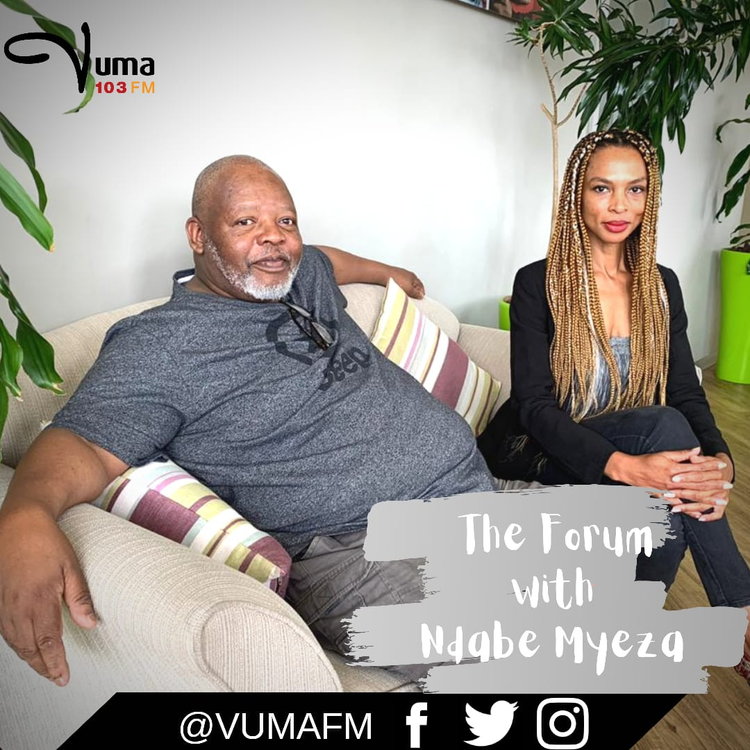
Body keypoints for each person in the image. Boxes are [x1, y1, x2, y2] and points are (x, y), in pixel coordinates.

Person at [0, 155, 494, 687]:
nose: (273, 237)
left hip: (473, 494)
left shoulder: (298, 277)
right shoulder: (162, 343)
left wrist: (386, 272)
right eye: (245, 222)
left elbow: (327, 259)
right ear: (198, 235)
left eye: (286, 221)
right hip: (362, 551)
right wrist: (25, 514)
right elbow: (83, 443)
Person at [477, 129, 750, 683]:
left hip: (631, 433)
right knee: (664, 441)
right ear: (577, 196)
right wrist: (625, 467)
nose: (620, 206)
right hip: (536, 446)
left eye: (635, 189)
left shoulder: (661, 286)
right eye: (602, 188)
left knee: (670, 485)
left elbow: (685, 390)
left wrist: (721, 462)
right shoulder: (539, 283)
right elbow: (534, 406)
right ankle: (741, 615)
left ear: (650, 198)